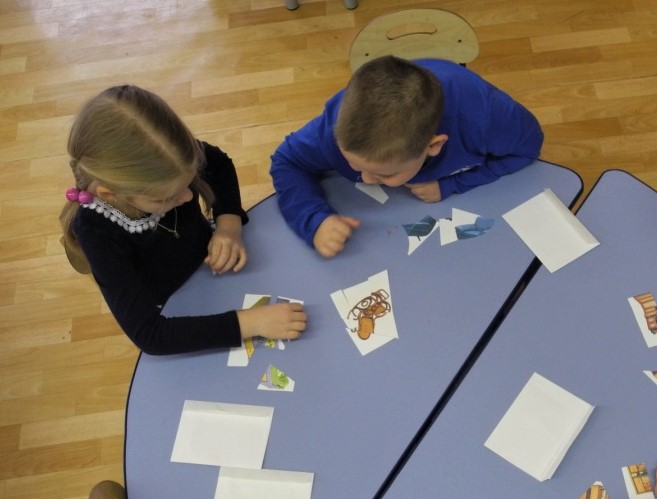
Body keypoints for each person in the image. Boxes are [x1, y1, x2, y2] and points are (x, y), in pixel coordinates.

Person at [60, 85, 307, 355]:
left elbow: (219, 164)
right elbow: (151, 335)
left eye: (189, 183)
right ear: (110, 194)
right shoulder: (97, 234)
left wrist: (228, 225)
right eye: (165, 198)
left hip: (212, 269)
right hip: (171, 300)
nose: (189, 197)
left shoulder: (171, 157)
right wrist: (252, 321)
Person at [270, 55, 544, 258]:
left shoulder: (486, 118)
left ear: (433, 146)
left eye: (385, 174)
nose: (365, 179)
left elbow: (528, 148)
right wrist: (314, 220)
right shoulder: (330, 130)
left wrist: (451, 184)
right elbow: (286, 161)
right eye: (352, 163)